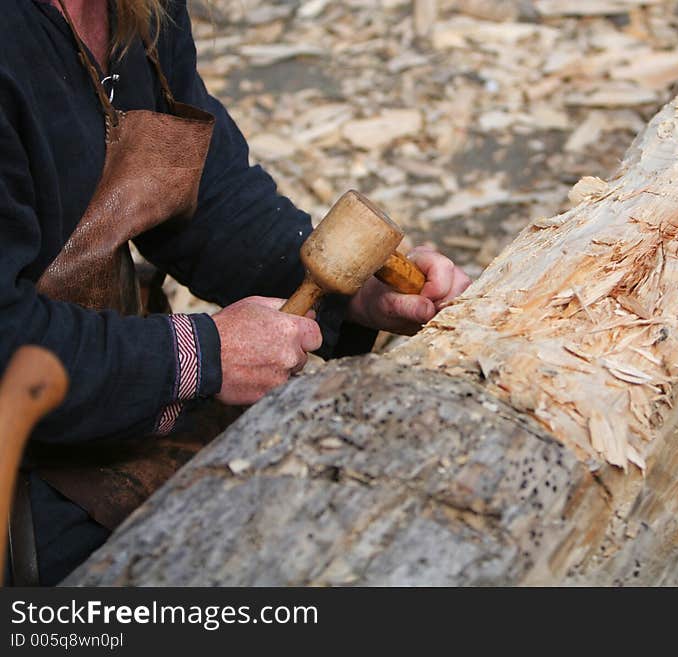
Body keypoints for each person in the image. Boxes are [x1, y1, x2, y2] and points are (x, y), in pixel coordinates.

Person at [0, 0, 471, 585]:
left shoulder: (134, 10)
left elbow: (206, 194)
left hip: (109, 393)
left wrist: (349, 293)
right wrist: (199, 356)